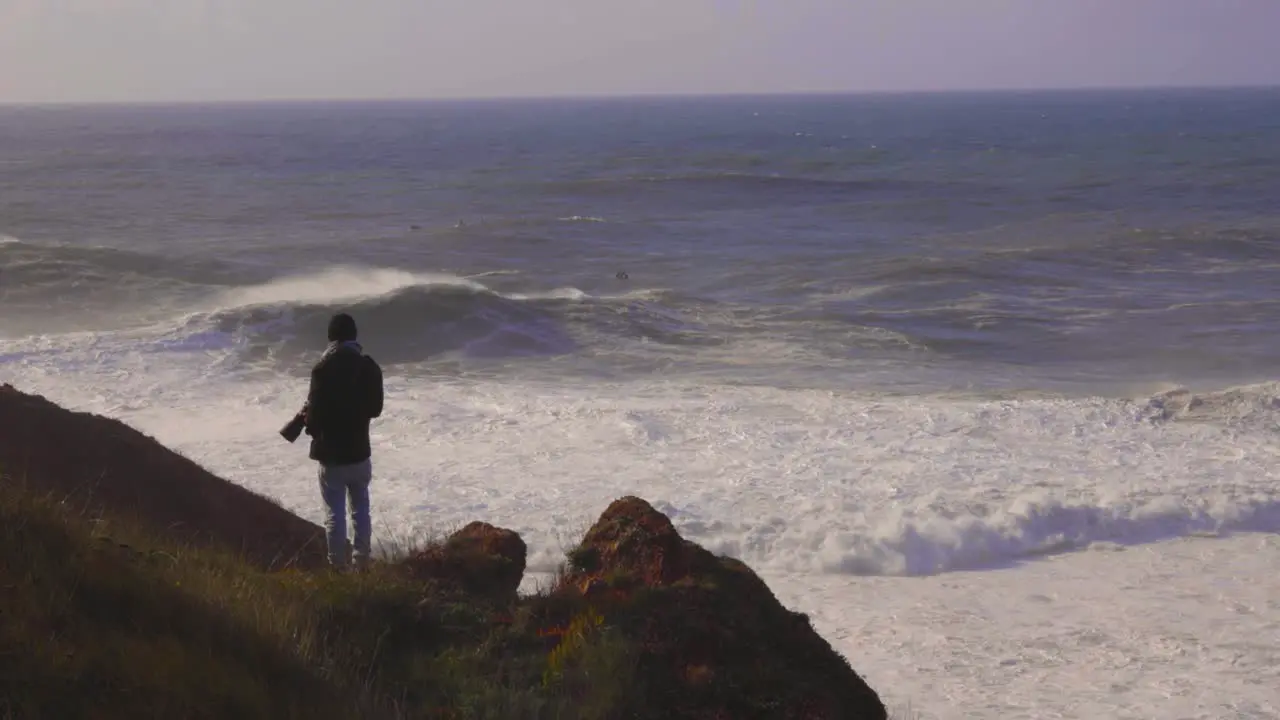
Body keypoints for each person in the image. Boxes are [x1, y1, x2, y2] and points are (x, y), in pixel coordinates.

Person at [304, 313, 384, 570]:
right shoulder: (369, 367)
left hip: (332, 455)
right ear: (354, 336)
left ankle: (337, 567)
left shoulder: (322, 369)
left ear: (330, 338)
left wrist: (309, 423)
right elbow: (376, 409)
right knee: (361, 511)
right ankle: (362, 563)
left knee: (334, 516)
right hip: (360, 452)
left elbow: (314, 420)